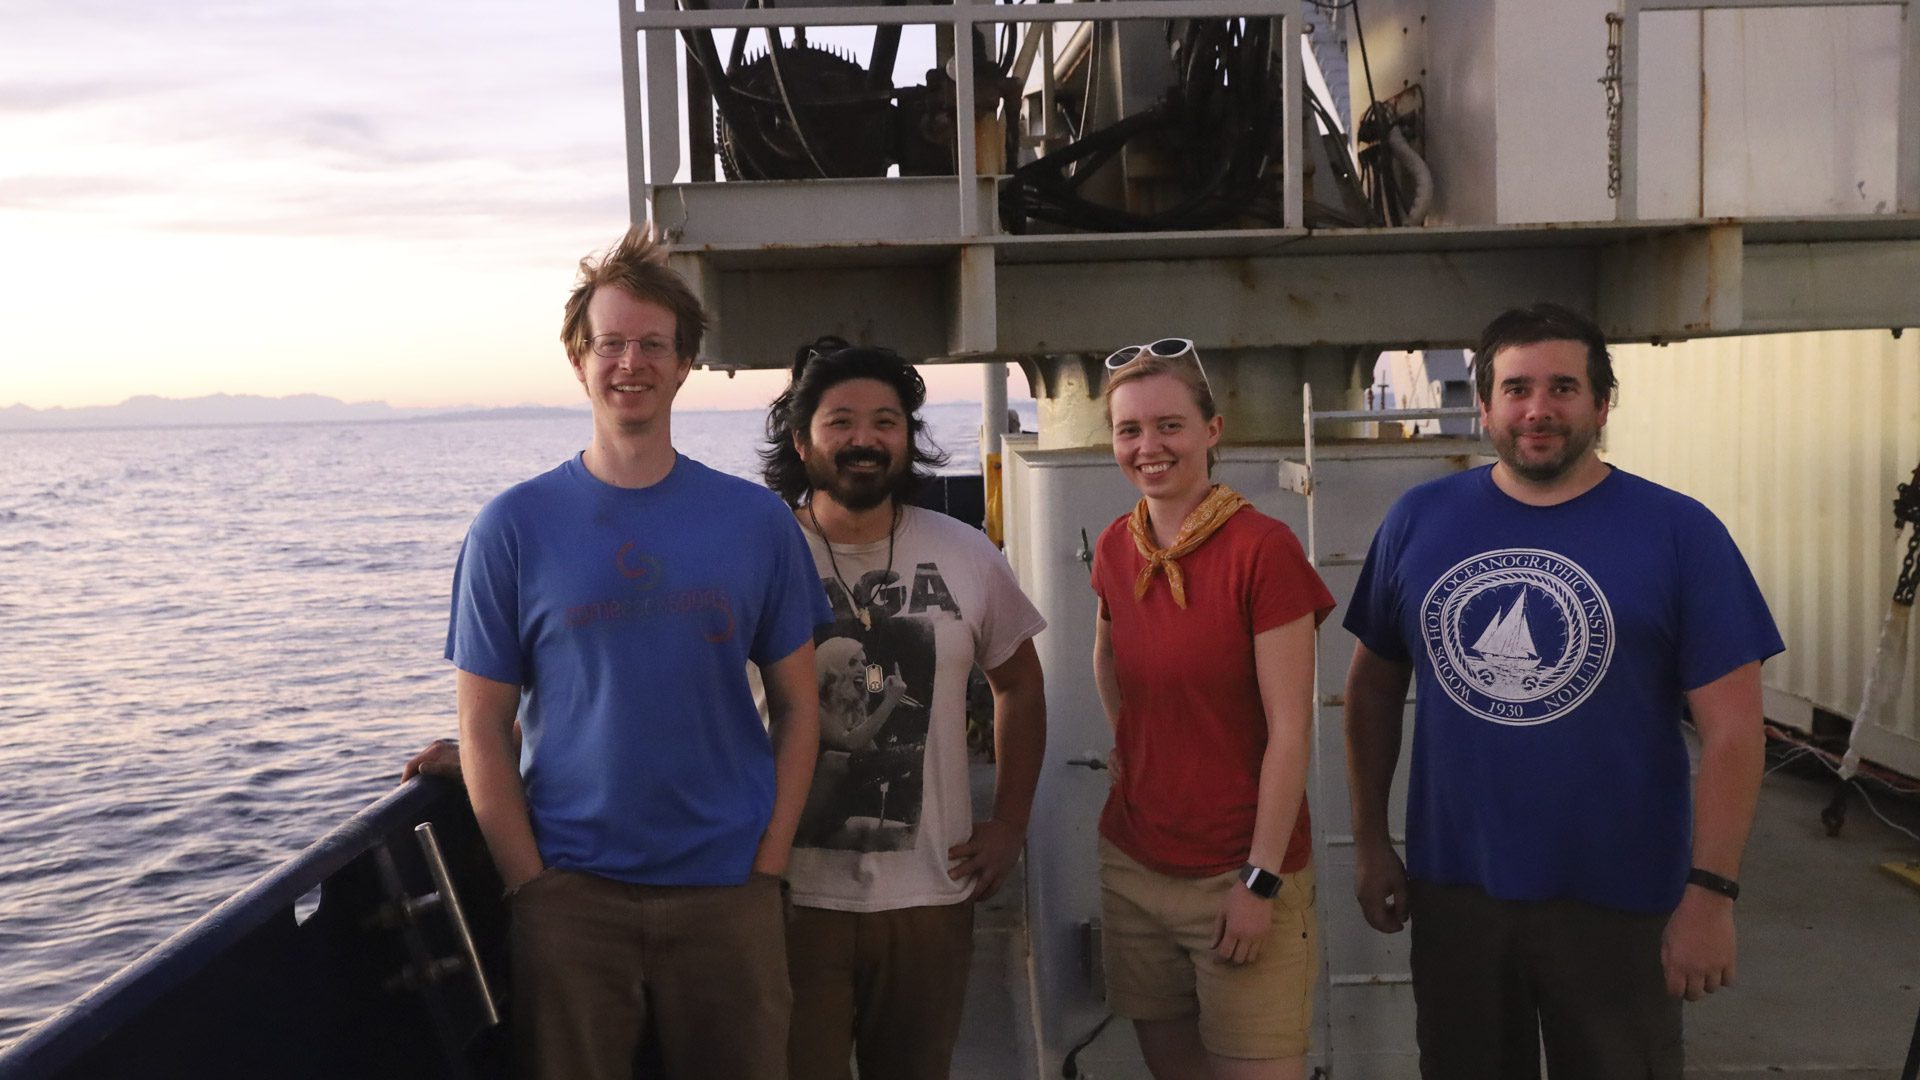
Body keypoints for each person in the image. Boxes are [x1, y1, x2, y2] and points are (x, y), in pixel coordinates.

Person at [1341, 303, 1784, 1079]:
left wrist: (1711, 896)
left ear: (1602, 403)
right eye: (1515, 389)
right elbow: (1372, 690)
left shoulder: (1681, 532)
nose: (1537, 409)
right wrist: (1373, 843)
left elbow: (1736, 733)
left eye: (1563, 388)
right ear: (1484, 406)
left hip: (1620, 898)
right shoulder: (1419, 520)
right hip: (1457, 892)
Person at [438, 225, 827, 1080]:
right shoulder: (513, 528)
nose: (631, 363)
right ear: (579, 360)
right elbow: (481, 724)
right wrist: (530, 888)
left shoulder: (755, 522)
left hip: (729, 894)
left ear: (685, 363)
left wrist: (767, 865)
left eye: (653, 344)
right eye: (610, 343)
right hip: (572, 900)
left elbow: (801, 705)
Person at [761, 337, 1048, 1080]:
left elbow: (1020, 683)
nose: (865, 439)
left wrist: (1009, 822)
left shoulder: (966, 551)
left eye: (886, 421)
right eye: (841, 421)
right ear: (802, 438)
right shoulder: (758, 551)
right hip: (786, 896)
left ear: (907, 438)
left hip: (929, 898)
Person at [1090, 338, 1334, 1080]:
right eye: (1129, 431)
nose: (1149, 447)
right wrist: (1137, 758)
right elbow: (1108, 662)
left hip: (1238, 872)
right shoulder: (1116, 547)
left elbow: (1292, 728)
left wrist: (1260, 880)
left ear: (1212, 432)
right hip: (1136, 866)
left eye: (1169, 426)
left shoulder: (1264, 549)